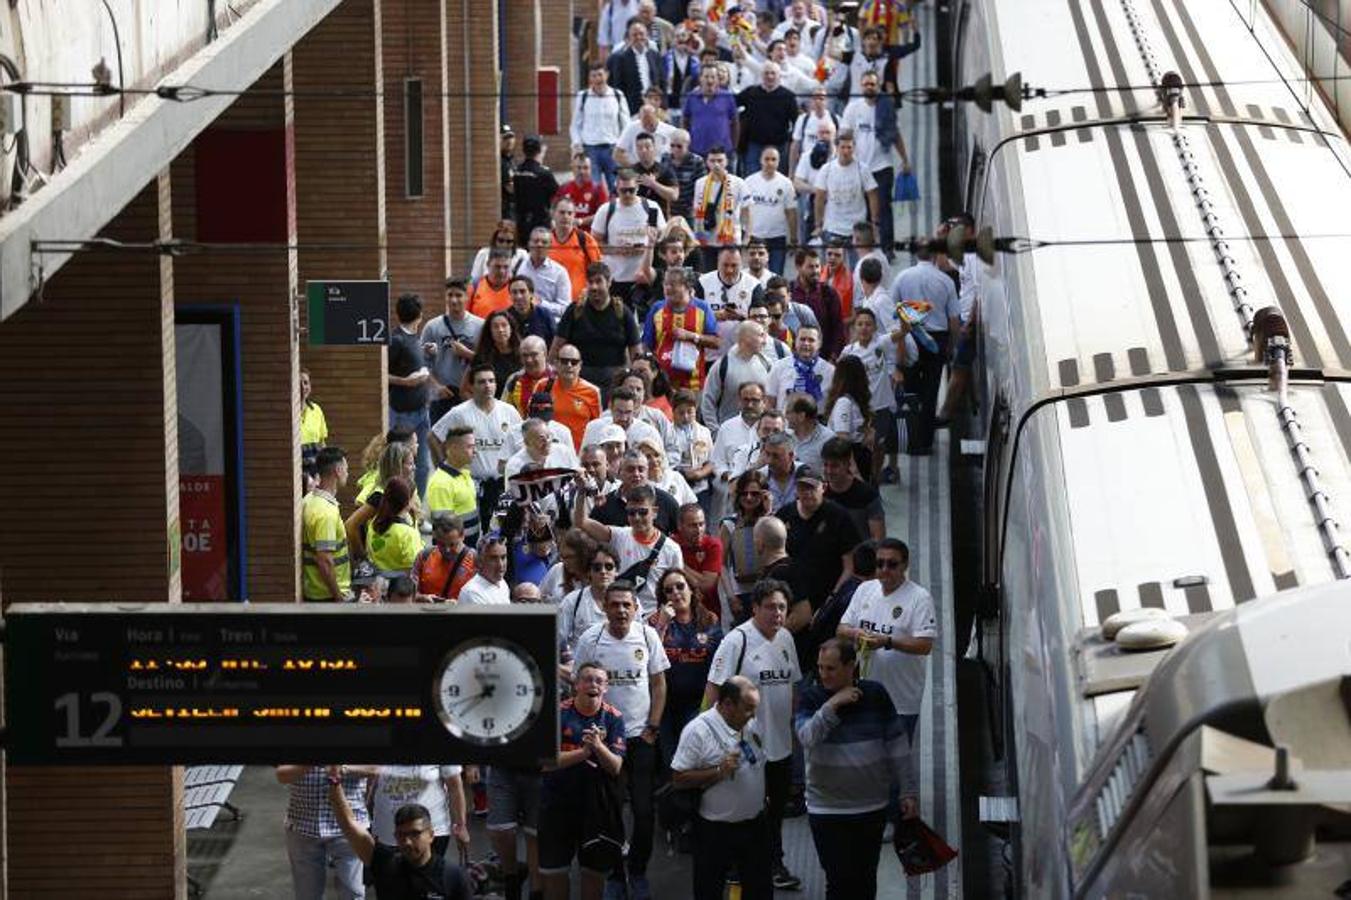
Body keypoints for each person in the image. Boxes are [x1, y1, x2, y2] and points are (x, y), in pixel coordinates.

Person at [795, 637, 918, 900]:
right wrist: (832, 704)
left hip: (870, 808)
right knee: (839, 882)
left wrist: (907, 791)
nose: (823, 675)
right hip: (826, 810)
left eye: (831, 668)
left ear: (851, 666)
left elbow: (898, 746)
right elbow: (807, 737)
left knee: (865, 880)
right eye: (820, 668)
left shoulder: (875, 695)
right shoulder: (811, 698)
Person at [572, 582, 671, 900]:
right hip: (603, 740)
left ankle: (638, 870)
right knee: (608, 811)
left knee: (643, 812)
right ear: (605, 607)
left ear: (635, 607)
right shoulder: (591, 638)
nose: (621, 610)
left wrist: (652, 727)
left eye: (627, 605)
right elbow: (580, 685)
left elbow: (658, 684)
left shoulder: (647, 636)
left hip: (640, 737)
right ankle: (615, 872)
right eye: (614, 605)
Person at [703, 579, 803, 892]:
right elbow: (714, 690)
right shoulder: (736, 641)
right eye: (771, 607)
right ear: (755, 608)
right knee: (745, 812)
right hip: (744, 749)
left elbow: (794, 686)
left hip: (781, 746)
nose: (777, 613)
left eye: (782, 607)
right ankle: (737, 869)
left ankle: (773, 864)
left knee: (773, 812)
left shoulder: (786, 638)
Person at [671, 674, 771, 900]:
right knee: (709, 889)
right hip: (714, 831)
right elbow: (678, 777)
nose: (753, 715)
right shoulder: (697, 731)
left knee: (760, 889)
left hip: (754, 825)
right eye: (747, 708)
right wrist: (718, 772)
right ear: (727, 704)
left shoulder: (750, 724)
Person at [539, 662, 627, 900]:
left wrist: (598, 746)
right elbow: (545, 762)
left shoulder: (614, 718)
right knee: (555, 874)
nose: (593, 685)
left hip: (596, 809)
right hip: (557, 805)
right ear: (576, 685)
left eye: (599, 681)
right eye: (587, 679)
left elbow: (616, 767)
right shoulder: (559, 713)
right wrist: (584, 753)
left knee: (593, 874)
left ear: (606, 687)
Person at [836, 538, 935, 740]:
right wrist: (857, 634)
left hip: (901, 700)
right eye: (879, 563)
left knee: (895, 765)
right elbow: (842, 628)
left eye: (892, 564)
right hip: (865, 694)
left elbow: (925, 645)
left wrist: (887, 642)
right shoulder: (865, 590)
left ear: (905, 565)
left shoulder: (919, 598)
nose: (884, 569)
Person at [325, 767, 473, 900]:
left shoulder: (453, 877)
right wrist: (334, 780)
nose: (407, 841)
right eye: (402, 835)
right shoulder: (384, 863)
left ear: (431, 835)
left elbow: (454, 785)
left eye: (415, 834)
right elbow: (348, 823)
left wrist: (461, 824)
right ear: (395, 836)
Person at [775, 465, 861, 665]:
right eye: (802, 488)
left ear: (823, 487)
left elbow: (849, 564)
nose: (807, 493)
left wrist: (831, 601)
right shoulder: (785, 516)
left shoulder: (838, 516)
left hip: (827, 602)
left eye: (812, 488)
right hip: (792, 602)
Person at [890, 235, 961, 455]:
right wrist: (951, 346)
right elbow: (954, 320)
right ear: (934, 254)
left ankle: (911, 439)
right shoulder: (946, 281)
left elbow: (894, 311)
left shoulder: (902, 278)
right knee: (931, 391)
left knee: (911, 389)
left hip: (910, 336)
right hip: (936, 340)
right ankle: (925, 442)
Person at [575, 476, 686, 614]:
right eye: (631, 513)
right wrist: (581, 492)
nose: (637, 518)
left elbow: (679, 589)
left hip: (654, 617)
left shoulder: (672, 549)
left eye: (643, 512)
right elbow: (581, 522)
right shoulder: (618, 535)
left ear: (655, 512)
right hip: (621, 612)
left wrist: (664, 617)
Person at [432, 364, 522, 533]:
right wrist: (444, 469)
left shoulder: (509, 412)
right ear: (471, 386)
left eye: (491, 381)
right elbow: (434, 437)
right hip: (471, 486)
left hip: (502, 487)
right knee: (470, 534)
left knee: (500, 533)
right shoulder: (460, 413)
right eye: (481, 382)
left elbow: (522, 445)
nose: (487, 385)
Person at [648, 568, 722, 761]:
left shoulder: (709, 620)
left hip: (699, 703)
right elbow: (649, 660)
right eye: (669, 590)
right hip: (666, 705)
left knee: (694, 757)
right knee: (670, 760)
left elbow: (720, 664)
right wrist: (662, 625)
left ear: (690, 589)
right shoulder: (654, 622)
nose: (676, 593)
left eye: (680, 586)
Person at [278, 764, 375, 899]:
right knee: (307, 895)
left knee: (353, 893)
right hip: (303, 826)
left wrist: (343, 769)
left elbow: (376, 768)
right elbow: (281, 775)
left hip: (349, 829)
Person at [840, 70, 909, 258]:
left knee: (884, 206)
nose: (869, 87)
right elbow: (844, 134)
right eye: (866, 84)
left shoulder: (886, 107)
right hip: (859, 167)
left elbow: (895, 135)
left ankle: (887, 248)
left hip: (882, 165)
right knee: (863, 209)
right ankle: (866, 246)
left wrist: (905, 159)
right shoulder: (853, 109)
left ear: (878, 86)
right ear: (861, 86)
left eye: (872, 84)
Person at [554, 262, 643, 395]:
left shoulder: (623, 312)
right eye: (590, 282)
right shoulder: (575, 310)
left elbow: (636, 353)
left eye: (599, 281)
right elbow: (557, 347)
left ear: (609, 283)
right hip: (579, 380)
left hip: (614, 382)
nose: (594, 287)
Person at [843, 298, 905, 483]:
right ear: (854, 327)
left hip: (880, 408)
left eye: (868, 324)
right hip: (858, 411)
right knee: (860, 447)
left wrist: (905, 317)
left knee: (879, 446)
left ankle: (875, 479)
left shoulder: (881, 343)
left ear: (875, 328)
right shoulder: (848, 352)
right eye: (860, 324)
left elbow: (903, 332)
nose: (864, 328)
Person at [592, 169, 666, 306]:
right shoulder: (606, 210)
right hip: (615, 278)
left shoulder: (650, 207)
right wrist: (617, 250)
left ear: (638, 188)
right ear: (616, 189)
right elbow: (595, 243)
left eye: (631, 190)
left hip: (643, 277)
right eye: (623, 190)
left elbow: (663, 237)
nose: (627, 194)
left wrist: (647, 246)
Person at [643, 265, 719, 393]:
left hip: (693, 384)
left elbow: (716, 342)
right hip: (662, 384)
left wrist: (691, 336)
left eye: (673, 284)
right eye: (665, 284)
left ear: (688, 287)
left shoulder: (702, 308)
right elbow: (647, 344)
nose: (668, 288)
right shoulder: (657, 308)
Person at [368, 765, 470, 861]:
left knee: (427, 877)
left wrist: (461, 825)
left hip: (431, 831)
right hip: (386, 832)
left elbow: (454, 786)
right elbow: (371, 783)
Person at [388, 292, 434, 498]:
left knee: (423, 465)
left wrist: (426, 351)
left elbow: (412, 361)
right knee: (403, 464)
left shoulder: (415, 337)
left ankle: (417, 506)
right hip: (402, 413)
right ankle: (404, 503)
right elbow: (381, 374)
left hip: (422, 411)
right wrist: (405, 382)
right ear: (420, 315)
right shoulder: (396, 340)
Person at [421, 278, 484, 424]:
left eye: (458, 295)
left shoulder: (480, 326)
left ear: (467, 297)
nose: (454, 300)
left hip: (469, 395)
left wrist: (466, 353)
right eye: (450, 295)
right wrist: (436, 386)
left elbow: (486, 361)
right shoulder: (432, 327)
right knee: (441, 443)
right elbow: (423, 364)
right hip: (442, 397)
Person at [812, 129, 879, 260]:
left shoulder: (862, 169)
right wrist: (818, 224)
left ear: (854, 148)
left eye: (849, 147)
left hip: (857, 228)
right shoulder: (827, 169)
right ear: (837, 148)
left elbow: (873, 194)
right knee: (832, 270)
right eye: (843, 147)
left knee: (857, 270)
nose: (846, 151)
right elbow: (819, 198)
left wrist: (875, 223)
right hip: (833, 228)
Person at [718, 470, 772, 625]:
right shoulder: (729, 524)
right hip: (741, 593)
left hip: (767, 590)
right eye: (744, 493)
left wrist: (768, 513)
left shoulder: (771, 521)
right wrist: (731, 596)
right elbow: (721, 564)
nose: (749, 498)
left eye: (755, 494)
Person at [571, 63, 631, 193]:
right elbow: (575, 124)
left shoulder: (617, 95)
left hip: (612, 149)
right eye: (594, 76)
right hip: (590, 149)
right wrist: (576, 144)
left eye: (600, 75)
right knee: (594, 189)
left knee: (616, 188)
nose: (598, 79)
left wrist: (623, 146)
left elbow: (626, 124)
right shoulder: (583, 96)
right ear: (589, 78)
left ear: (607, 75)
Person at [700, 324, 773, 430]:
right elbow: (708, 401)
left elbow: (772, 399)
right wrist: (715, 432)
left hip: (759, 434)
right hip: (729, 434)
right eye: (761, 335)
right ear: (746, 338)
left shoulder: (767, 363)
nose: (765, 341)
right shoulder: (722, 366)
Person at [302, 447, 351, 602]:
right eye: (346, 469)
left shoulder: (309, 499)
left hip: (317, 592)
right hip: (327, 596)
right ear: (337, 470)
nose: (347, 473)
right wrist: (338, 598)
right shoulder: (326, 513)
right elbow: (325, 561)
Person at [735, 61, 799, 177]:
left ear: (779, 76)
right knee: (751, 179)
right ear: (761, 75)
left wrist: (789, 140)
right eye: (766, 73)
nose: (770, 76)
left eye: (773, 73)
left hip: (779, 146)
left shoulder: (788, 96)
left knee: (776, 180)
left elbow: (796, 122)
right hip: (754, 145)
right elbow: (732, 104)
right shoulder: (750, 92)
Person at [741, 148, 797, 277]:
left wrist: (793, 237)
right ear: (761, 160)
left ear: (778, 162)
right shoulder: (749, 182)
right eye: (767, 159)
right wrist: (745, 234)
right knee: (752, 276)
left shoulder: (786, 184)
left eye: (773, 159)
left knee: (776, 276)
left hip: (777, 236)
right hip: (755, 236)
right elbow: (743, 210)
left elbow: (791, 212)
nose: (770, 163)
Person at [558, 544, 621, 657]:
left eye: (609, 566)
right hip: (582, 669)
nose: (603, 571)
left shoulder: (630, 602)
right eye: (597, 567)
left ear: (617, 571)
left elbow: (639, 637)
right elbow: (557, 640)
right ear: (588, 572)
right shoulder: (572, 601)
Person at [689, 147, 745, 269]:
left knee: (731, 274)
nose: (716, 164)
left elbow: (747, 210)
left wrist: (747, 237)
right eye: (712, 160)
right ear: (707, 162)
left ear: (727, 161)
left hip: (731, 237)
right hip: (708, 237)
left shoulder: (738, 182)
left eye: (720, 160)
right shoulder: (700, 183)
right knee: (709, 275)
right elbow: (696, 210)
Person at [821, 437, 886, 541]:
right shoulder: (820, 493)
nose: (829, 471)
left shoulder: (868, 495)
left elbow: (878, 538)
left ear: (848, 465)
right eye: (825, 465)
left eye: (835, 466)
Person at [425, 426, 480, 547]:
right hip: (454, 553)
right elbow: (443, 528)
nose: (475, 451)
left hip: (468, 548)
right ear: (453, 448)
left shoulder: (464, 473)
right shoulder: (441, 483)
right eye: (469, 447)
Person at [789, 250, 846, 360]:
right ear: (798, 267)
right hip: (793, 359)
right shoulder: (789, 292)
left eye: (817, 266)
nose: (815, 271)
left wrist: (833, 358)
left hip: (823, 358)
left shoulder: (828, 293)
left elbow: (838, 328)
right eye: (810, 267)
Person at [546, 343, 603, 452]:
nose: (569, 365)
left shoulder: (592, 392)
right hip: (548, 452)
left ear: (580, 365)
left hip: (578, 455)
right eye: (564, 361)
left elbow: (597, 427)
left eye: (574, 362)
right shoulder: (543, 386)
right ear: (556, 363)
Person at [824, 354, 874, 476]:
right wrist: (853, 469)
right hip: (852, 458)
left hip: (861, 455)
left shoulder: (854, 401)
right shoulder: (844, 403)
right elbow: (842, 438)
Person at [766, 324, 835, 410]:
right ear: (795, 342)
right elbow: (770, 401)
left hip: (817, 421)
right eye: (802, 339)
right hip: (785, 422)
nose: (806, 343)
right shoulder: (779, 366)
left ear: (819, 344)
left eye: (811, 340)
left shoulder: (830, 371)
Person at [365, 476, 422, 581]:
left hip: (378, 583)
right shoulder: (407, 533)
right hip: (400, 589)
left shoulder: (374, 524)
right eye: (414, 496)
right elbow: (415, 568)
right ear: (407, 501)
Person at [413, 512, 478, 602]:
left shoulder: (476, 561)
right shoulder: (424, 556)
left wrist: (460, 605)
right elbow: (410, 593)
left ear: (462, 536)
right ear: (435, 536)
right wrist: (421, 598)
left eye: (452, 545)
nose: (447, 550)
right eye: (441, 544)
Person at [670, 389, 715, 519]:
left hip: (701, 487)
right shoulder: (668, 433)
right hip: (679, 486)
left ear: (696, 410)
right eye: (681, 413)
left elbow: (712, 461)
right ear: (673, 412)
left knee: (700, 519)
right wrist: (683, 473)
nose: (685, 417)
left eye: (689, 412)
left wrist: (700, 473)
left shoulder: (704, 432)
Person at [607, 19, 666, 114]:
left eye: (641, 34)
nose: (638, 37)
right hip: (631, 108)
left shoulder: (654, 55)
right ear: (629, 37)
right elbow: (617, 84)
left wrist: (663, 105)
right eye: (635, 35)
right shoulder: (621, 58)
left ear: (647, 35)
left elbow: (662, 81)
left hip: (653, 106)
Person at [680, 66, 737, 158]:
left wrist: (733, 146)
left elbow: (735, 123)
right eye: (706, 77)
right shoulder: (691, 97)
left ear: (717, 80)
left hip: (722, 153)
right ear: (700, 78)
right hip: (697, 151)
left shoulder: (727, 96)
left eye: (713, 77)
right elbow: (685, 121)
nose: (710, 80)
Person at [514, 135, 560, 239]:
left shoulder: (517, 171)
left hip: (521, 220)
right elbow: (557, 194)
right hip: (540, 221)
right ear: (540, 150)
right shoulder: (544, 173)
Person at [468, 310, 523, 394]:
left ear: (511, 328)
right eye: (495, 326)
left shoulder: (523, 353)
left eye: (504, 325)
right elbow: (465, 390)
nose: (500, 330)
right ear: (490, 331)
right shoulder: (482, 356)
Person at [627, 131, 680, 218]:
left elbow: (674, 195)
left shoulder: (665, 170)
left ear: (654, 148)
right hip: (636, 217)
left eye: (647, 147)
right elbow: (619, 196)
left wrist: (653, 184)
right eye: (639, 148)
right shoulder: (630, 171)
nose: (643, 150)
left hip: (660, 217)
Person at [502, 336, 557, 417]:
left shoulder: (559, 378)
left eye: (534, 354)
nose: (529, 360)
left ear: (545, 353)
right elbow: (503, 410)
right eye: (525, 355)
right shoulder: (514, 380)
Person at [555, 153, 610, 232]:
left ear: (591, 169)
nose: (582, 171)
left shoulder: (598, 189)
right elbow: (555, 211)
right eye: (578, 167)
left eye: (585, 168)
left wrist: (581, 221)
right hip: (567, 236)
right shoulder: (564, 188)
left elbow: (603, 214)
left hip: (589, 236)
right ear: (573, 168)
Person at [662, 128, 707, 222]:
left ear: (687, 145)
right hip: (669, 210)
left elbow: (702, 189)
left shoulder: (696, 161)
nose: (675, 149)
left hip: (689, 212)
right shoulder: (665, 159)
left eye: (679, 146)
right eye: (672, 145)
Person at [470, 220, 529, 285]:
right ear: (494, 239)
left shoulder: (522, 255)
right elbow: (474, 279)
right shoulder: (484, 254)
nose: (504, 244)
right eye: (501, 240)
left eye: (509, 241)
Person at [457, 534, 510, 605]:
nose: (500, 565)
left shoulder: (502, 583)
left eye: (503, 557)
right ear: (480, 561)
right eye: (493, 559)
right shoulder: (472, 593)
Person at [785, 395, 833, 473]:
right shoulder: (784, 436)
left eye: (788, 412)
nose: (785, 416)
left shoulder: (828, 440)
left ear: (801, 416)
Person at [505, 277, 557, 346]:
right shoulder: (506, 317)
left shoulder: (545, 315)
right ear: (510, 296)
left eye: (522, 291)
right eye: (514, 292)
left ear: (531, 294)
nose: (518, 296)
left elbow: (554, 343)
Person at [469, 250, 517, 319]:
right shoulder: (474, 287)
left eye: (506, 267)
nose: (502, 271)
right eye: (497, 267)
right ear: (488, 265)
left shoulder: (518, 289)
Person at [299, 370, 328, 471]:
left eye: (306, 383)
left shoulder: (316, 410)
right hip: (298, 468)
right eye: (298, 383)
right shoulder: (287, 413)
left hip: (315, 470)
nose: (303, 387)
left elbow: (322, 443)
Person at [502, 124, 518, 221]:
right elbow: (510, 188)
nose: (509, 141)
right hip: (506, 208)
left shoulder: (511, 160)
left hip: (513, 207)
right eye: (505, 138)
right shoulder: (501, 162)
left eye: (511, 137)